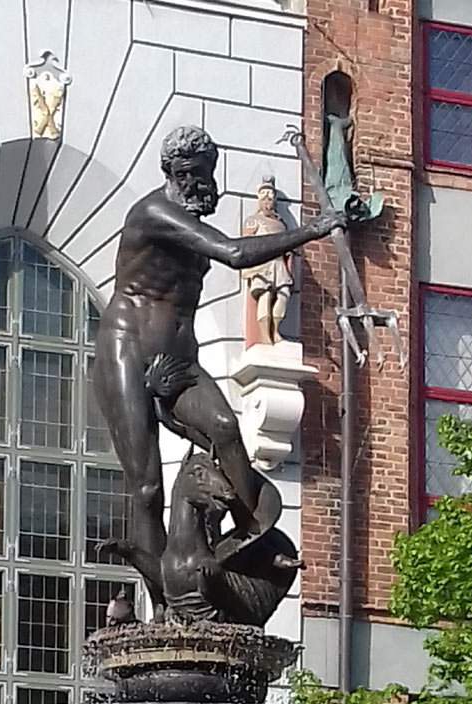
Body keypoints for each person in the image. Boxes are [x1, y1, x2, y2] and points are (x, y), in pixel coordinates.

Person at [93, 125, 345, 614]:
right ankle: (166, 605)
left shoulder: (187, 213)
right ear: (169, 174)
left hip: (179, 357)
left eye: (202, 174)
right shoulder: (153, 212)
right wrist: (315, 228)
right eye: (185, 175)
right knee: (146, 485)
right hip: (126, 350)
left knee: (227, 428)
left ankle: (253, 529)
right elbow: (234, 253)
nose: (195, 184)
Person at [242, 175, 293, 347]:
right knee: (265, 294)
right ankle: (265, 335)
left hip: (278, 263)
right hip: (262, 263)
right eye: (265, 196)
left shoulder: (281, 224)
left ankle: (275, 329)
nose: (269, 200)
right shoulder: (253, 220)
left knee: (284, 293)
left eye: (271, 196)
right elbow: (245, 243)